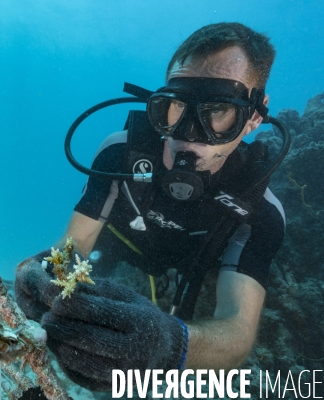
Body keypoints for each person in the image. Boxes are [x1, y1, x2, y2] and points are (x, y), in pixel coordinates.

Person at [15, 22, 286, 391]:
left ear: (254, 115)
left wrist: (170, 343)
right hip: (124, 245)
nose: (187, 135)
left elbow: (237, 333)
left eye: (219, 112)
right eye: (174, 109)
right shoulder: (119, 154)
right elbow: (72, 247)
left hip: (197, 267)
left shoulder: (260, 211)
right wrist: (39, 273)